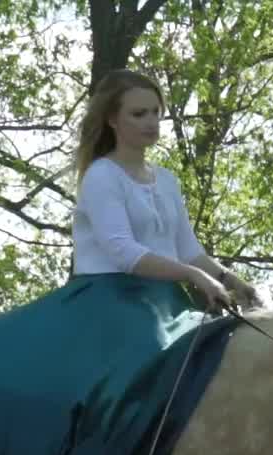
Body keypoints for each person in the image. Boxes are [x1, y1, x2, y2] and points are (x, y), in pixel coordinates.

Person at [72, 68, 261, 310]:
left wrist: (232, 281)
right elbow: (124, 253)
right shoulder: (101, 175)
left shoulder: (166, 180)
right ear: (112, 119)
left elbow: (189, 251)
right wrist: (194, 275)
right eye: (139, 114)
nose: (151, 122)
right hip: (110, 302)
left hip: (164, 301)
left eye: (155, 112)